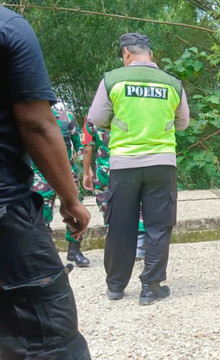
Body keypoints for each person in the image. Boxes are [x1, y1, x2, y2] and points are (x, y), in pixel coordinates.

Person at [0, 6, 91, 359]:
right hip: (7, 216)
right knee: (49, 342)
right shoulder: (9, 28)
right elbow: (37, 125)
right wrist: (71, 199)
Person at [87, 32, 189, 305]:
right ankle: (151, 288)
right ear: (151, 55)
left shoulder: (113, 79)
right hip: (161, 164)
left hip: (124, 164)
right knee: (158, 226)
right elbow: (183, 124)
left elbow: (96, 118)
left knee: (120, 225)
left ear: (126, 54)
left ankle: (116, 287)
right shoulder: (172, 83)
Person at [32, 108, 91, 267]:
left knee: (76, 213)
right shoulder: (28, 115)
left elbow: (80, 144)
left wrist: (82, 165)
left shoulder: (66, 117)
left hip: (65, 173)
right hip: (39, 176)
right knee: (39, 216)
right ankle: (45, 256)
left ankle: (74, 251)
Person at [82, 118, 146, 259]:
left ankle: (118, 245)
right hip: (129, 164)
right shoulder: (128, 109)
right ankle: (140, 244)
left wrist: (86, 172)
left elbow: (87, 148)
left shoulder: (92, 117)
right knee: (137, 202)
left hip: (105, 170)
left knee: (106, 203)